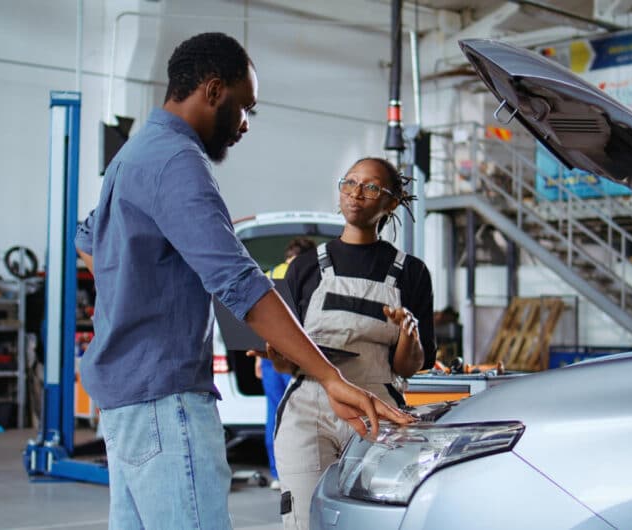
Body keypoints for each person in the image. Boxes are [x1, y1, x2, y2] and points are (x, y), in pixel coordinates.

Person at [74, 33, 411, 530]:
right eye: (244, 106)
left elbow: (87, 240)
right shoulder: (177, 161)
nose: (246, 124)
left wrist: (137, 284)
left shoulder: (134, 153)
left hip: (126, 402)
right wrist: (330, 378)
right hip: (166, 403)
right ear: (213, 91)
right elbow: (241, 285)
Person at [257, 157, 437, 530]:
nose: (356, 193)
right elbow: (288, 363)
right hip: (308, 406)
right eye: (349, 182)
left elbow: (409, 367)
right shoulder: (305, 267)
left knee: (371, 520)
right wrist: (276, 353)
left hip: (377, 408)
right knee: (303, 518)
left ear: (390, 203)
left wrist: (409, 334)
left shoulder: (412, 272)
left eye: (371, 186)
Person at [255, 237, 316, 490]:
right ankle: (299, 471)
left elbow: (260, 318)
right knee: (300, 415)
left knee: (275, 413)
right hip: (295, 356)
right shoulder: (310, 277)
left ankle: (277, 474)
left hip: (270, 355)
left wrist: (258, 358)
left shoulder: (270, 274)